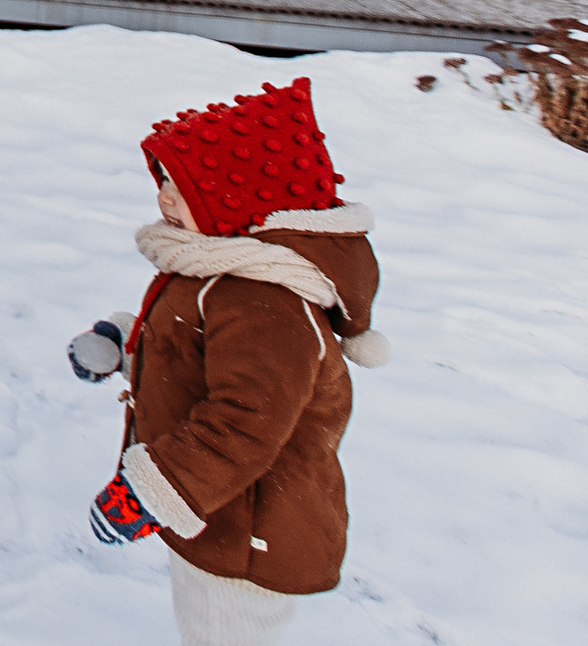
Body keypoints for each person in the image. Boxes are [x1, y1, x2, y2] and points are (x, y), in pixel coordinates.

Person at [71, 76, 390, 646]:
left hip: (251, 533)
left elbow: (246, 420)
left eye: (183, 185)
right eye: (163, 180)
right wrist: (123, 345)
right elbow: (196, 354)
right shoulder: (222, 269)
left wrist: (148, 492)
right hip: (216, 511)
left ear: (240, 196)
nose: (163, 197)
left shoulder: (266, 301)